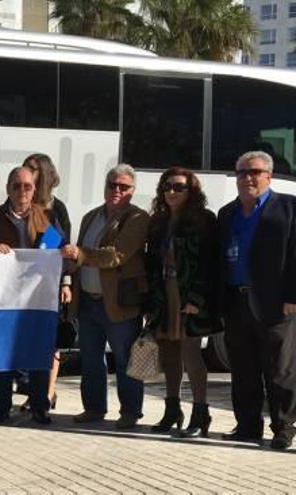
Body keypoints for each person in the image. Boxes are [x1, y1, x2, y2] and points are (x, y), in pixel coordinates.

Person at [217, 150, 296, 450]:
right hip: (237, 302)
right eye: (241, 173)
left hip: (276, 303)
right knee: (243, 367)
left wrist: (293, 295)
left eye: (255, 172)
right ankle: (248, 426)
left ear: (269, 176)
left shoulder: (288, 208)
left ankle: (284, 428)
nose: (247, 178)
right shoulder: (227, 213)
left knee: (280, 369)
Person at [61, 164, 148, 430]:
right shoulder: (91, 216)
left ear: (133, 191)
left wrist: (82, 255)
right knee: (90, 359)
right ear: (105, 186)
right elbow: (77, 258)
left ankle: (131, 412)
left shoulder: (137, 218)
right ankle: (94, 408)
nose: (117, 191)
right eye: (113, 185)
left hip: (119, 303)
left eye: (124, 187)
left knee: (125, 359)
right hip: (87, 300)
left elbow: (116, 255)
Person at [145, 167, 217, 438]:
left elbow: (209, 264)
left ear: (192, 191)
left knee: (191, 355)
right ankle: (172, 409)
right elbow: (152, 262)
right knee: (169, 355)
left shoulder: (203, 220)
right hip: (164, 293)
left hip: (189, 295)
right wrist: (151, 301)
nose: (171, 192)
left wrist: (197, 299)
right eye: (166, 187)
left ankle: (201, 413)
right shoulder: (158, 222)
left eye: (178, 187)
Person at [0, 167, 55, 425]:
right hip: (2, 298)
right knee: (2, 354)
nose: (22, 191)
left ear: (34, 189)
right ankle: (1, 407)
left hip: (35, 298)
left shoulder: (46, 218)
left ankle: (39, 406)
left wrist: (67, 281)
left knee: (37, 353)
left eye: (27, 186)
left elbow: (58, 254)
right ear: (8, 187)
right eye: (16, 186)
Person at [22, 153, 72, 413]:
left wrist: (66, 281)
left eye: (33, 169)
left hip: (50, 284)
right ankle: (33, 390)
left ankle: (48, 392)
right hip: (24, 285)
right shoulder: (23, 204)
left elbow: (63, 247)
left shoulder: (56, 208)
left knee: (49, 340)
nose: (27, 173)